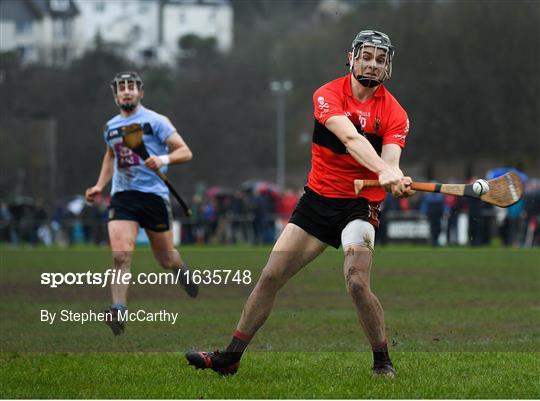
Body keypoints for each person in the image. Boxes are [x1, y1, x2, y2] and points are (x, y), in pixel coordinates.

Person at [185, 30, 414, 378]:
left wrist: (394, 177)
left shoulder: (395, 112)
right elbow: (350, 138)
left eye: (380, 59)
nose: (373, 63)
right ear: (351, 58)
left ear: (388, 68)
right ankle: (230, 358)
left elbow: (391, 158)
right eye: (367, 56)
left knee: (355, 282)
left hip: (358, 206)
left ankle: (382, 361)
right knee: (270, 276)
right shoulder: (327, 94)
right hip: (317, 201)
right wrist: (384, 169)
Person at [85, 71, 198, 336]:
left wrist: (163, 160)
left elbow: (185, 151)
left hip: (154, 197)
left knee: (165, 258)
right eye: (121, 88)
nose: (126, 91)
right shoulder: (110, 127)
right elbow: (110, 158)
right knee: (120, 255)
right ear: (115, 95)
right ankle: (119, 311)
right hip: (123, 196)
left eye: (131, 87)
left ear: (140, 93)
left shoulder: (155, 121)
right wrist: (99, 186)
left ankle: (181, 270)